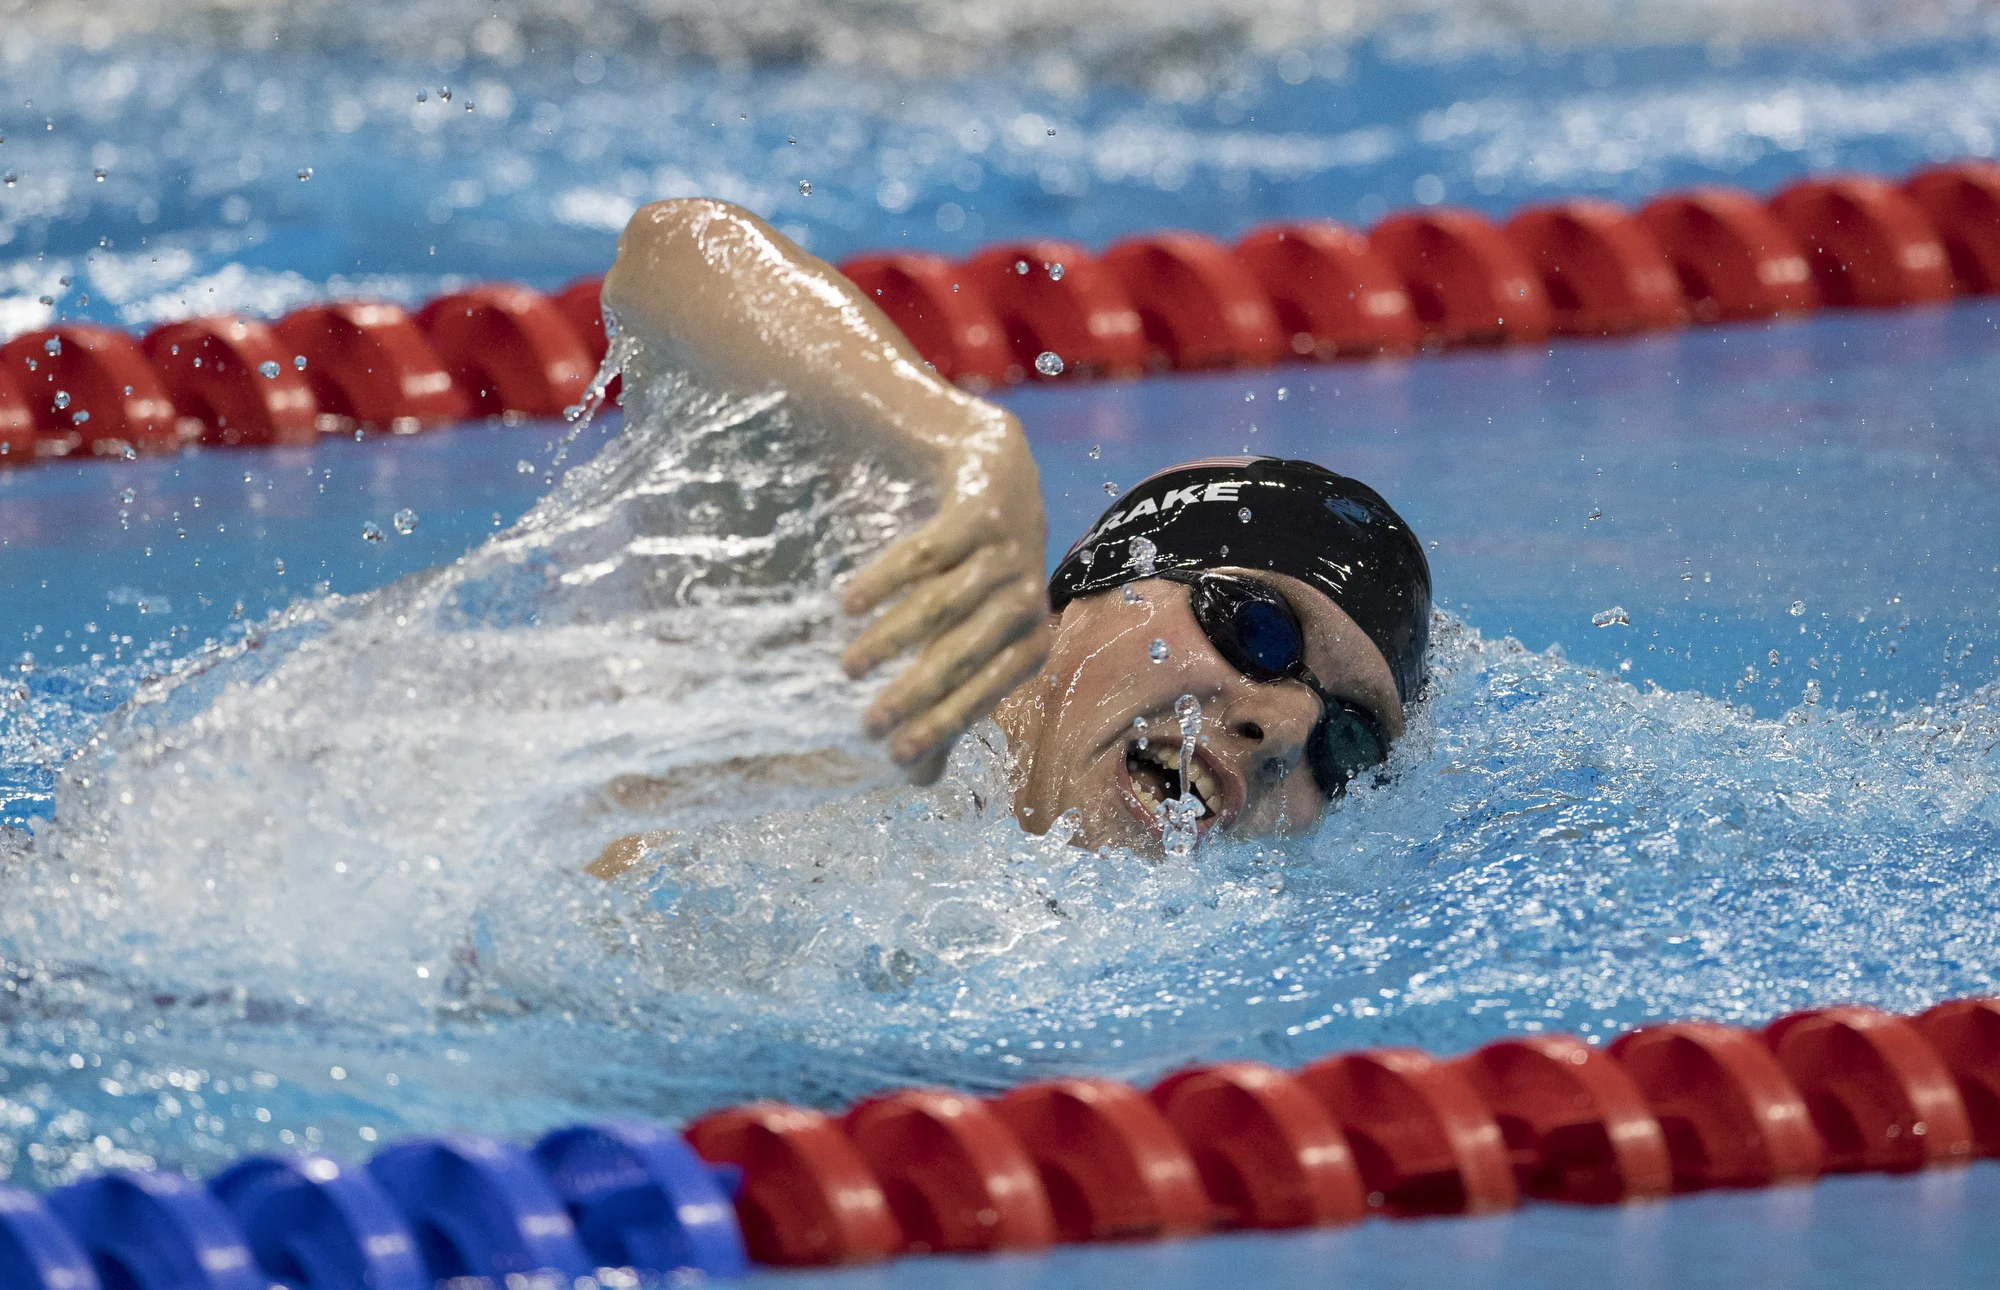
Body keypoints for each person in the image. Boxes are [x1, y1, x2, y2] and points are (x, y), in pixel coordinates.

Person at [600, 198, 1430, 857]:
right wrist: (953, 439)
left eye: (1349, 745)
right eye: (1259, 628)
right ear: (1083, 587)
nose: (1286, 728)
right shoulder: (846, 683)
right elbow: (676, 252)